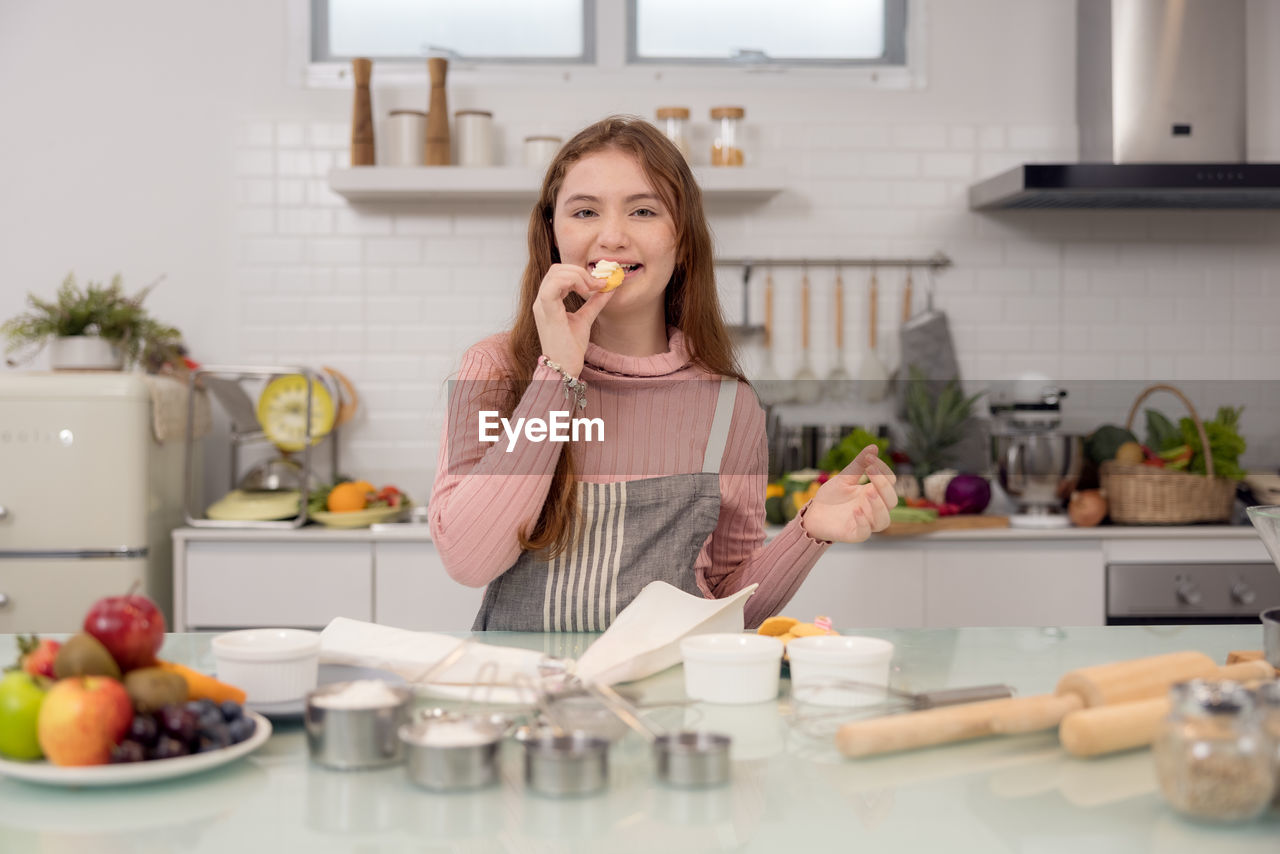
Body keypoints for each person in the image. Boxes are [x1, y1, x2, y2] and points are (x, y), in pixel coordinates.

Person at [429, 115, 897, 632]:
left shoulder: (727, 405)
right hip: (527, 698)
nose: (612, 236)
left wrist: (812, 530)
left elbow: (723, 606)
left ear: (683, 239)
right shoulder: (495, 370)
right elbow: (468, 561)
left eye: (644, 210)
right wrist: (557, 374)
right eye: (585, 211)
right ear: (552, 232)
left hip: (665, 699)